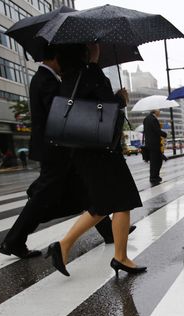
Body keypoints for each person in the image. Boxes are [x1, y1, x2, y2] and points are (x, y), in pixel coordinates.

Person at [0, 45, 119, 259]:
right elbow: (61, 110)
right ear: (56, 56)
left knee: (85, 191)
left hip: (58, 147)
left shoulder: (47, 79)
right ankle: (13, 240)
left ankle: (110, 232)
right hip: (54, 149)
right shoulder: (45, 80)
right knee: (43, 196)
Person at [46, 43, 144, 277]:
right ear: (86, 51)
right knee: (123, 199)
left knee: (102, 204)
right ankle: (120, 257)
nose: (98, 48)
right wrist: (120, 100)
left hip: (82, 150)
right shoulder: (91, 73)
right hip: (101, 149)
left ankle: (63, 245)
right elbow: (106, 108)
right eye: (93, 47)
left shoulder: (68, 78)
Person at [144, 109, 167, 185]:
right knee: (157, 162)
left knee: (154, 162)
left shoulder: (146, 119)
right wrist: (164, 134)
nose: (159, 112)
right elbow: (157, 131)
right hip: (155, 144)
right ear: (155, 111)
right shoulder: (153, 119)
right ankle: (154, 178)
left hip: (149, 144)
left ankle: (154, 177)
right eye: (159, 110)